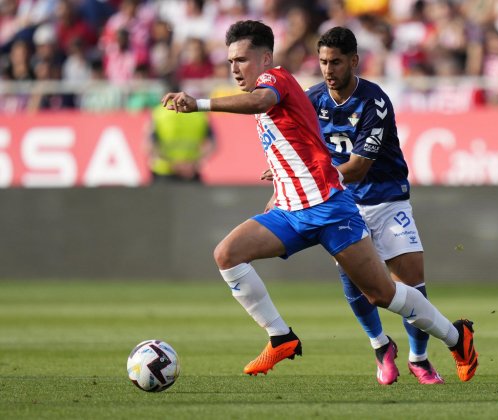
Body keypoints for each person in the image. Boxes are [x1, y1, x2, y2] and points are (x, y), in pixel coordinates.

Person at [161, 20, 477, 382]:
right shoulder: (301, 95)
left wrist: (199, 103)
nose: (234, 68)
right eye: (231, 61)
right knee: (227, 254)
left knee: (381, 293)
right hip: (291, 211)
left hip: (331, 209)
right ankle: (280, 337)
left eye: (242, 60)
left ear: (266, 59)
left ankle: (456, 338)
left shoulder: (274, 81)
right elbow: (301, 143)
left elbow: (261, 102)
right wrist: (280, 184)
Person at [308, 26, 445, 385]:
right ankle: (380, 346)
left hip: (385, 196)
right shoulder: (311, 101)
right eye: (322, 62)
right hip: (341, 203)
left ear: (353, 61)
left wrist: (308, 179)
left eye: (335, 62)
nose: (328, 70)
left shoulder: (375, 101)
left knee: (411, 281)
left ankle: (419, 358)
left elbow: (357, 168)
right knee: (356, 281)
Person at [148, 99, 215, 182]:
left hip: (164, 170)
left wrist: (173, 164)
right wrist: (195, 162)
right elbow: (212, 143)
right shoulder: (200, 113)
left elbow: (149, 145)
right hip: (190, 170)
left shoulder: (158, 112)